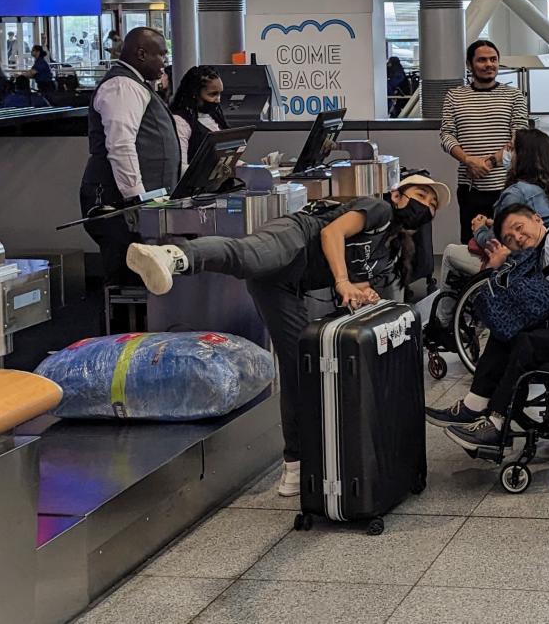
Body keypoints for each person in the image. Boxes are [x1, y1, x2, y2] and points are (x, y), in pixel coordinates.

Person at [128, 173, 448, 496]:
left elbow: (357, 281)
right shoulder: (378, 209)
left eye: (433, 206)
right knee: (247, 256)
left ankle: (295, 464)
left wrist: (362, 293)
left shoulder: (387, 249)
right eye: (422, 195)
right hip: (294, 237)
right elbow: (332, 233)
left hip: (287, 287)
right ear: (399, 195)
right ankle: (174, 257)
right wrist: (341, 281)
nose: (427, 206)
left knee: (299, 372)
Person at [427, 202, 549, 453]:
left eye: (519, 227)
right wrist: (498, 265)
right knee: (505, 331)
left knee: (525, 344)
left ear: (537, 219)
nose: (517, 237)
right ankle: (473, 406)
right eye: (510, 237)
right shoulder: (540, 250)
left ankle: (497, 424)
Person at [79, 28, 181, 291]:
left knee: (138, 278)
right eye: (161, 54)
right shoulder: (122, 86)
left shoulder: (136, 85)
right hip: (117, 203)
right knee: (126, 281)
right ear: (141, 53)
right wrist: (137, 200)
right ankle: (123, 333)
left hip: (134, 203)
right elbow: (121, 147)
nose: (165, 62)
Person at [436, 126, 549, 288]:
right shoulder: (547, 189)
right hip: (544, 259)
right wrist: (493, 223)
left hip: (516, 264)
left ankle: (444, 313)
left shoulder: (515, 193)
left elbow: (493, 242)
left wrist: (479, 230)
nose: (505, 153)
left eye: (511, 148)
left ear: (523, 156)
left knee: (450, 252)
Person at [440, 39, 529, 240]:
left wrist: (488, 162)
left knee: (509, 244)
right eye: (482, 60)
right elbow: (446, 135)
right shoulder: (455, 96)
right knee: (471, 245)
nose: (489, 64)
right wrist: (468, 160)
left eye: (493, 59)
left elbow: (520, 137)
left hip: (508, 187)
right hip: (470, 187)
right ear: (470, 64)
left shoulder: (514, 96)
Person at [168, 65, 225, 166]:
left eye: (220, 94)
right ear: (195, 94)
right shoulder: (181, 121)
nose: (218, 100)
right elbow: (182, 167)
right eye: (212, 94)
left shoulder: (215, 116)